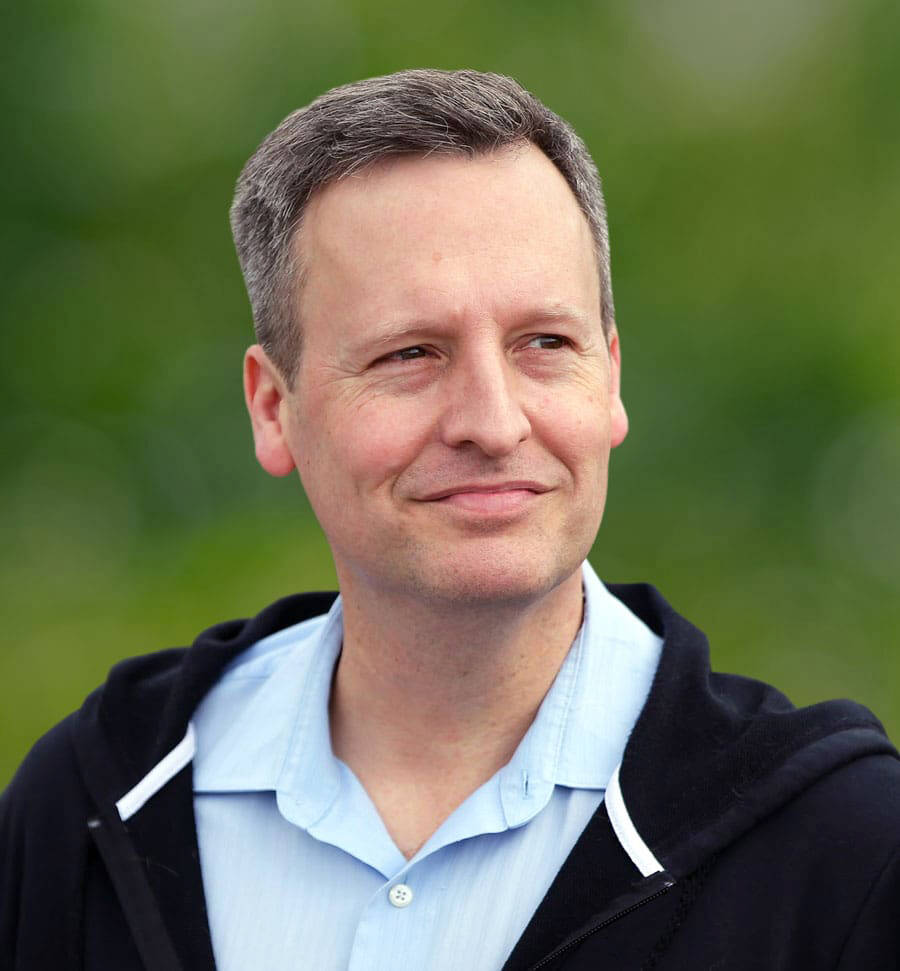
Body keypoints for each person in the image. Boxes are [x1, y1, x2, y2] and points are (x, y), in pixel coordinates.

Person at [1, 69, 898, 971]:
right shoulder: (84, 812)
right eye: (410, 354)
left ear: (610, 378)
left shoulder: (845, 851)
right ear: (273, 408)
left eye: (545, 343)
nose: (494, 423)